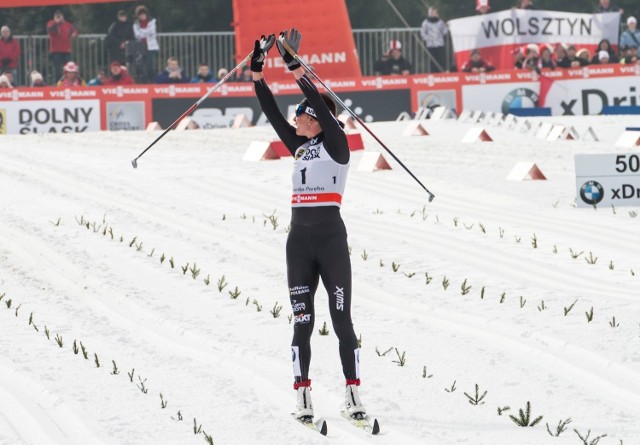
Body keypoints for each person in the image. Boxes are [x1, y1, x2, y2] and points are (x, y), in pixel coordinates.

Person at [250, 29, 366, 423]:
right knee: (302, 322)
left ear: (316, 121)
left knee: (341, 321)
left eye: (300, 114)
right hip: (299, 242)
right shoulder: (299, 144)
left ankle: (353, 394)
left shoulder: (337, 143)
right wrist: (258, 69)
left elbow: (317, 98)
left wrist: (292, 60)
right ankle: (302, 396)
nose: (294, 118)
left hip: (330, 240)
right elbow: (269, 111)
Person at [47, 9, 78, 83]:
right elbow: (49, 30)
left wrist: (74, 34)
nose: (59, 18)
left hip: (66, 50)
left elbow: (75, 30)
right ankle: (58, 84)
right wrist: (56, 23)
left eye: (60, 16)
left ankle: (69, 83)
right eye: (57, 16)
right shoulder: (51, 23)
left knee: (69, 69)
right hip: (56, 51)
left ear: (63, 16)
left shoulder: (67, 24)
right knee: (57, 70)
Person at [133, 5, 159, 83]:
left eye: (143, 14)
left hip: (151, 47)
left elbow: (152, 32)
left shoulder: (152, 22)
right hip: (141, 46)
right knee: (142, 66)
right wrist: (145, 33)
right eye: (140, 14)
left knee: (150, 65)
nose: (142, 16)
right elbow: (137, 35)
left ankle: (153, 81)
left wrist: (142, 32)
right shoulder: (135, 24)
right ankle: (145, 81)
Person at [420, 7, 449, 73]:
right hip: (430, 45)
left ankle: (441, 73)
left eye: (434, 12)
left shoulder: (440, 22)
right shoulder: (425, 23)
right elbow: (423, 33)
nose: (433, 14)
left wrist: (446, 26)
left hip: (439, 44)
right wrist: (429, 39)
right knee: (432, 61)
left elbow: (444, 32)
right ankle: (433, 73)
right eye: (431, 12)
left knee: (441, 60)